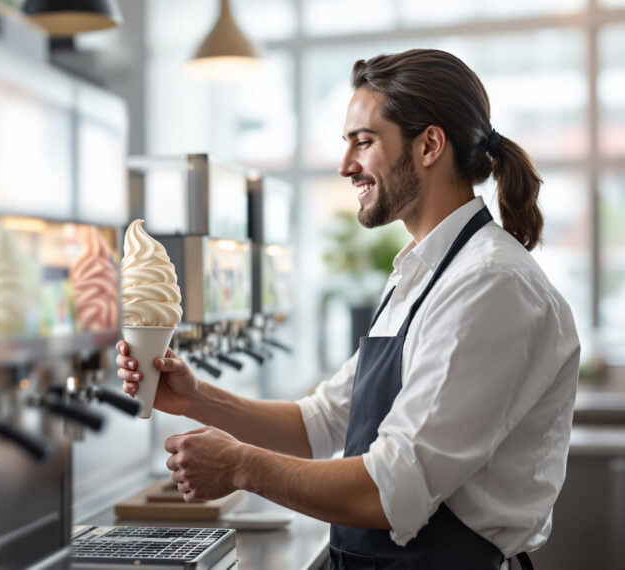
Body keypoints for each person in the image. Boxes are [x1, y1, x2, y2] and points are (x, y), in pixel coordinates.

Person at [117, 49, 580, 570]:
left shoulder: (490, 285)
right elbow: (319, 423)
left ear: (429, 144)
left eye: (364, 141)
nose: (345, 166)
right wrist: (197, 399)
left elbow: (391, 488)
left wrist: (240, 466)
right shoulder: (420, 273)